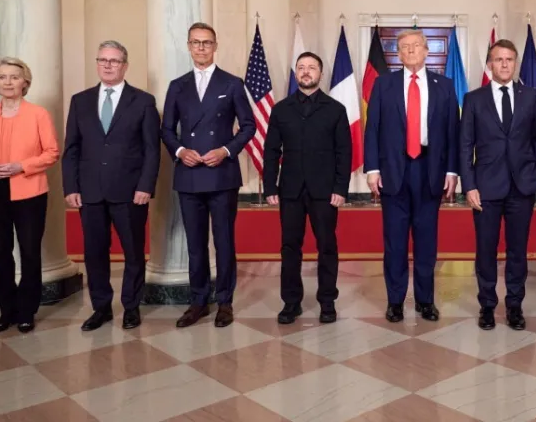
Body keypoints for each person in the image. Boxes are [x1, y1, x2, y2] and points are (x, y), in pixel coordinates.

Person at [161, 22, 256, 328]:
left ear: (215, 47)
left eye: (206, 43)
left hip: (221, 174)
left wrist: (226, 150)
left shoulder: (231, 83)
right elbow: (166, 129)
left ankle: (224, 301)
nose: (201, 48)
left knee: (225, 241)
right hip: (189, 173)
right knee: (195, 243)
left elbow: (249, 125)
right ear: (188, 47)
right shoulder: (177, 85)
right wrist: (179, 152)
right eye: (195, 43)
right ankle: (198, 300)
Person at [63, 41, 160, 332]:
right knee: (94, 252)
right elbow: (72, 148)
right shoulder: (80, 101)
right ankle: (101, 307)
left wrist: (145, 186)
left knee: (133, 251)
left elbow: (152, 149)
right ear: (97, 63)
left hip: (130, 192)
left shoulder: (143, 100)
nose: (107, 65)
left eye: (114, 61)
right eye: (102, 60)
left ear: (125, 65)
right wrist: (71, 186)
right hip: (90, 191)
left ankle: (131, 306)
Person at [364, 29, 460, 323]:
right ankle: (395, 301)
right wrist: (372, 169)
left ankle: (425, 300)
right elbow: (373, 129)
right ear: (398, 53)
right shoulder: (383, 84)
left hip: (429, 170)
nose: (410, 51)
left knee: (426, 241)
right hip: (393, 171)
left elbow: (452, 133)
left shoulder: (444, 85)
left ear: (427, 50)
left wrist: (452, 170)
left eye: (416, 46)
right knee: (394, 241)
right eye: (404, 47)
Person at [459, 39, 536, 331]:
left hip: (522, 187)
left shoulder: (531, 96)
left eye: (510, 59)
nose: (505, 64)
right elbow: (465, 145)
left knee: (517, 250)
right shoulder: (474, 99)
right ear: (490, 64)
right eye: (499, 59)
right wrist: (469, 186)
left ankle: (514, 306)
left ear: (516, 63)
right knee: (485, 250)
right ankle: (487, 305)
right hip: (485, 187)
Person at [0, 57, 59, 334]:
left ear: (25, 83)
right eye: (2, 77)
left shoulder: (38, 114)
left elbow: (52, 152)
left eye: (14, 77)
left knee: (30, 253)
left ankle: (26, 312)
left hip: (29, 191)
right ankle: (6, 311)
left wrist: (22, 166)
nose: (8, 82)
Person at [263, 51, 352, 325]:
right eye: (301, 67)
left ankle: (327, 302)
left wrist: (341, 188)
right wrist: (269, 186)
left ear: (320, 74)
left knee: (327, 246)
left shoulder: (335, 109)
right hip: (289, 190)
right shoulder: (281, 109)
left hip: (325, 191)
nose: (305, 71)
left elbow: (344, 152)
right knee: (290, 247)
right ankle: (291, 302)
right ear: (296, 73)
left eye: (311, 67)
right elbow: (270, 151)